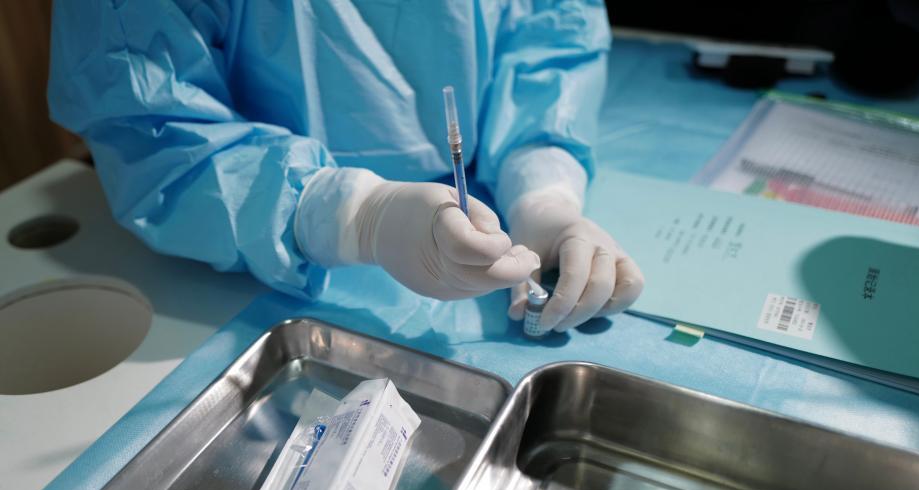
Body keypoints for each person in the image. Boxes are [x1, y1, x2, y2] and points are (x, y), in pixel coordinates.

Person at [48, 0, 643, 334]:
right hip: (250, 271)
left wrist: (542, 190)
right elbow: (154, 127)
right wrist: (356, 215)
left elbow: (549, 36)